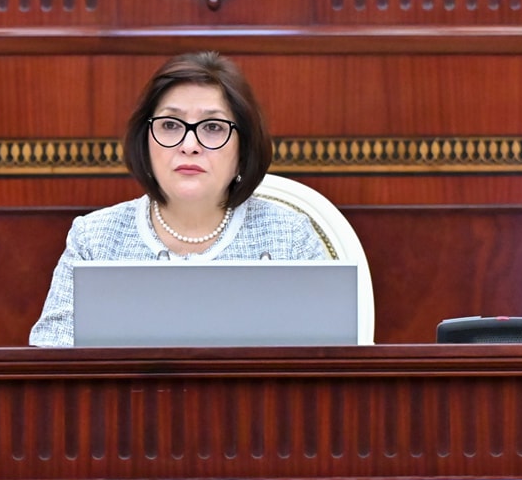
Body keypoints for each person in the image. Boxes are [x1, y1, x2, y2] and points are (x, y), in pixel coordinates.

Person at [28, 51, 328, 346]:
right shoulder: (95, 239)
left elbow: (330, 359)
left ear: (243, 148)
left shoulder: (289, 236)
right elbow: (52, 360)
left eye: (213, 127)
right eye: (170, 125)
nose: (189, 144)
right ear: (145, 141)